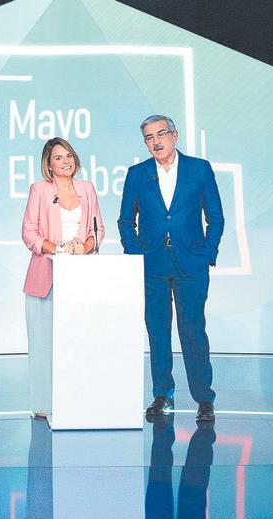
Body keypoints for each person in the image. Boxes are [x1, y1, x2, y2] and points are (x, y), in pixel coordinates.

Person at [118, 115, 224, 422]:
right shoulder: (137, 174)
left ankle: (204, 398)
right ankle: (162, 394)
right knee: (158, 331)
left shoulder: (199, 168)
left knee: (193, 330)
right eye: (149, 137)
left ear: (174, 136)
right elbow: (126, 220)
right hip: (151, 265)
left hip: (191, 262)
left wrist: (208, 252)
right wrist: (135, 251)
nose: (156, 141)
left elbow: (215, 216)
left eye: (161, 134)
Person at [21, 137, 104, 418]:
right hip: (47, 276)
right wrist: (56, 249)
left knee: (79, 340)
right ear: (49, 164)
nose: (66, 161)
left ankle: (78, 400)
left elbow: (98, 230)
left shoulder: (87, 189)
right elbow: (29, 233)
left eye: (69, 155)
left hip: (81, 277)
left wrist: (86, 247)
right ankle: (45, 406)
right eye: (58, 157)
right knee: (45, 342)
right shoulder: (40, 190)